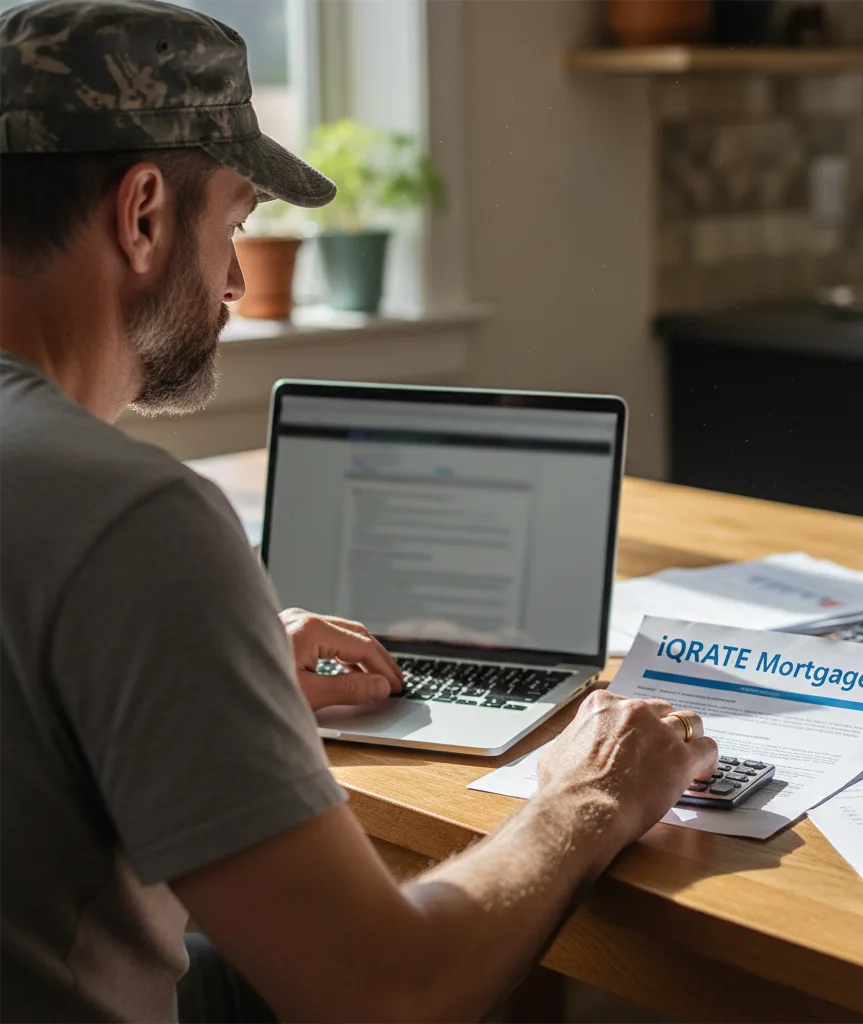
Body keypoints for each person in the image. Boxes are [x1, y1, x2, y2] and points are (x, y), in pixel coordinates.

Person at [0, 1, 719, 1021]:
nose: (238, 280)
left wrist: (217, 668)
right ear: (145, 213)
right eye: (235, 224)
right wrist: (590, 791)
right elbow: (389, 993)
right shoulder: (135, 522)